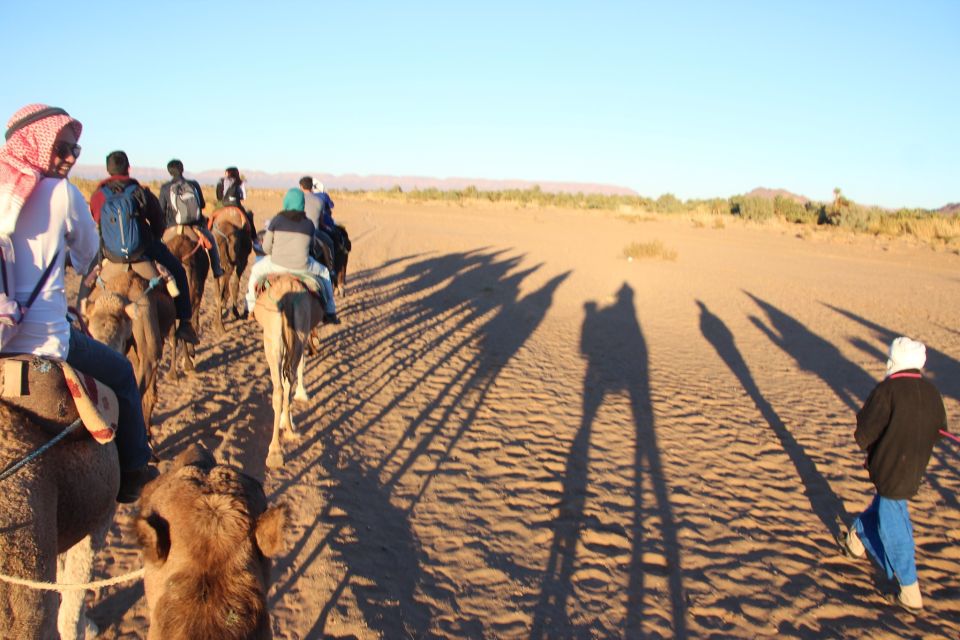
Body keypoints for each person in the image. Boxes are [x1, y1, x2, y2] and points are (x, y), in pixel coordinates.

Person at [0, 104, 152, 502]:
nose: (69, 156)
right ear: (36, 144)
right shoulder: (63, 193)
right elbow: (87, 255)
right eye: (62, 147)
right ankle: (135, 470)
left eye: (76, 150)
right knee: (121, 374)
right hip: (46, 342)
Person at [841, 336, 947, 613]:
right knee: (887, 502)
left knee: (893, 522)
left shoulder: (887, 391)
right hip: (915, 467)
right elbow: (939, 429)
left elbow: (863, 435)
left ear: (894, 362)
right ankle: (855, 540)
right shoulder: (932, 392)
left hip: (891, 466)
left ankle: (910, 591)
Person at [88, 151, 199, 344]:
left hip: (110, 254)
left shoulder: (98, 195)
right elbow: (158, 223)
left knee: (88, 279)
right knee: (179, 271)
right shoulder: (141, 192)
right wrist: (152, 241)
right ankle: (185, 324)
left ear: (107, 170)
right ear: (128, 168)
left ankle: (82, 314)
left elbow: (98, 222)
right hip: (143, 250)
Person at [244, 188, 338, 323]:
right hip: (303, 266)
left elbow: (266, 247)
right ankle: (330, 310)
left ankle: (251, 307)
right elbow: (311, 247)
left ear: (286, 202)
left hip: (276, 265)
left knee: (255, 271)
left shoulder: (276, 220)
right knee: (325, 273)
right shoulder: (309, 224)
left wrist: (277, 252)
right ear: (302, 204)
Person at [158, 159, 225, 278]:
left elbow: (160, 210)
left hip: (172, 226)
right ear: (182, 169)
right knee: (211, 241)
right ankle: (217, 269)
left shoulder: (165, 187)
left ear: (169, 172)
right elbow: (202, 204)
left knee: (157, 248)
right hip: (195, 225)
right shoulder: (193, 184)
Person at [299, 176, 336, 270]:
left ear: (301, 187)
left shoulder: (298, 199)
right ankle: (330, 269)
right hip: (314, 232)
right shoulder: (319, 200)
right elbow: (321, 221)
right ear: (312, 186)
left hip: (298, 231)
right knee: (330, 243)